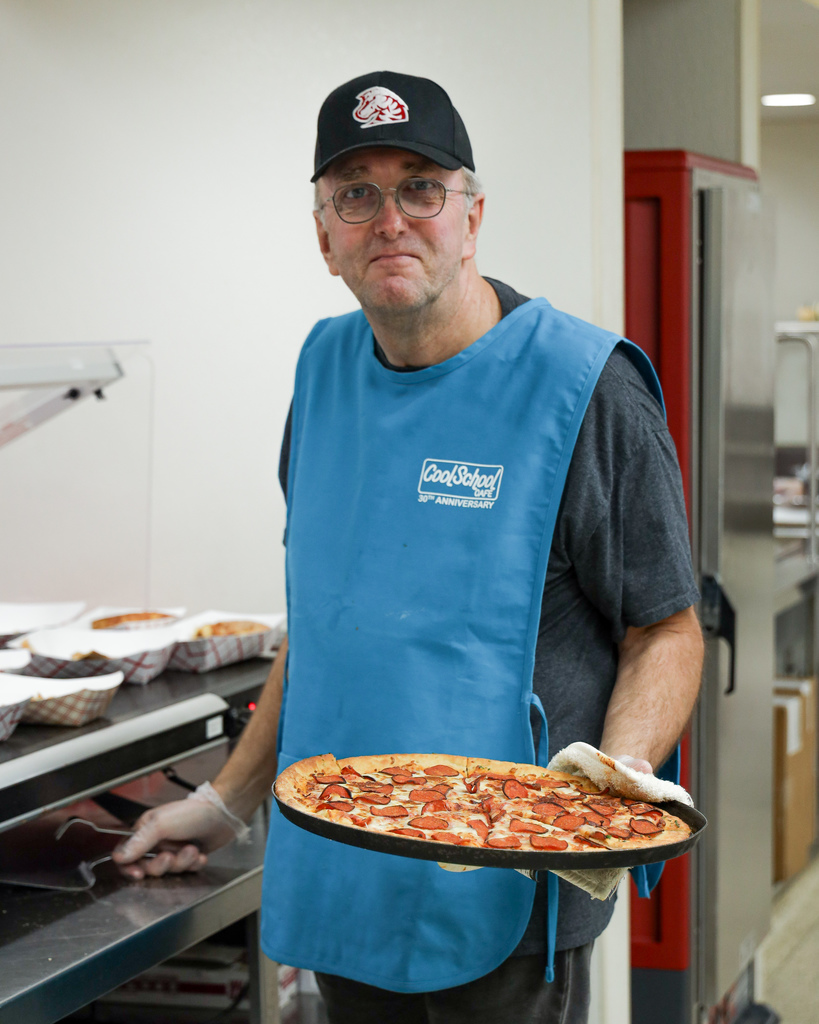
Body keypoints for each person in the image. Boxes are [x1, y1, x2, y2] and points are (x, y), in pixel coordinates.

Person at [114, 71, 704, 1024]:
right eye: (356, 194)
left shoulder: (582, 388)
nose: (390, 219)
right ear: (323, 236)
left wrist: (602, 791)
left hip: (505, 892)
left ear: (470, 218)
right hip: (341, 871)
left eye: (420, 188)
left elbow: (666, 631)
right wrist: (227, 802)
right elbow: (321, 632)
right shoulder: (321, 372)